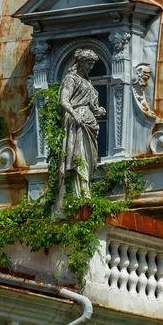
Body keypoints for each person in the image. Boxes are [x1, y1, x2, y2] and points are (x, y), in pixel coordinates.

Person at [56, 48, 106, 209]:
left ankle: (85, 188)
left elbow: (92, 105)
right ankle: (78, 192)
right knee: (78, 155)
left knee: (88, 157)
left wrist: (98, 111)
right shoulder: (71, 79)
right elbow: (64, 100)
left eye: (92, 64)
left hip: (89, 124)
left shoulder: (88, 82)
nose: (91, 67)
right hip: (76, 123)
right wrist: (74, 114)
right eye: (89, 64)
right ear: (81, 62)